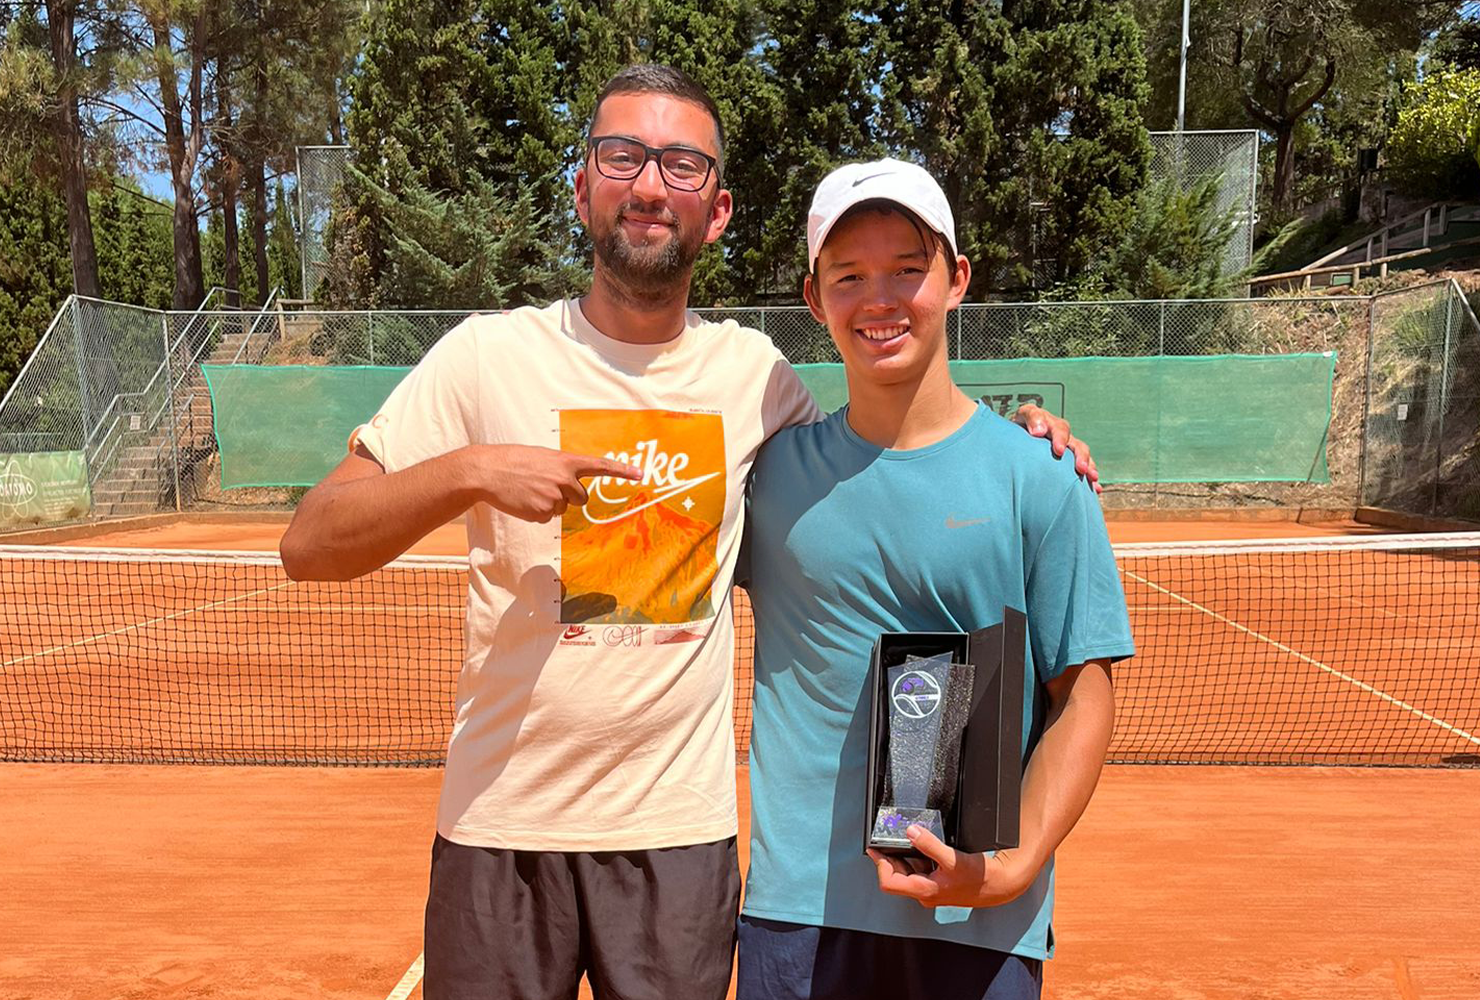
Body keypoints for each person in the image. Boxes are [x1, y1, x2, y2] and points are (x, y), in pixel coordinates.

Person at [281, 66, 1089, 1000]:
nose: (650, 184)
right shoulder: (483, 356)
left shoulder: (756, 377)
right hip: (497, 833)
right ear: (583, 187)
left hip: (678, 846)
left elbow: (884, 448)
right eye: (622, 155)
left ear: (718, 210)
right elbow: (311, 542)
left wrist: (1018, 439)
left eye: (682, 164)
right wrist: (471, 469)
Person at [736, 159, 1136, 1000]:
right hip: (798, 918)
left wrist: (1013, 865)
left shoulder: (1042, 478)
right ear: (814, 299)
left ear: (957, 280)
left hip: (979, 922)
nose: (879, 299)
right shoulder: (766, 478)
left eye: (907, 269)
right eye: (849, 276)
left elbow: (1082, 692)